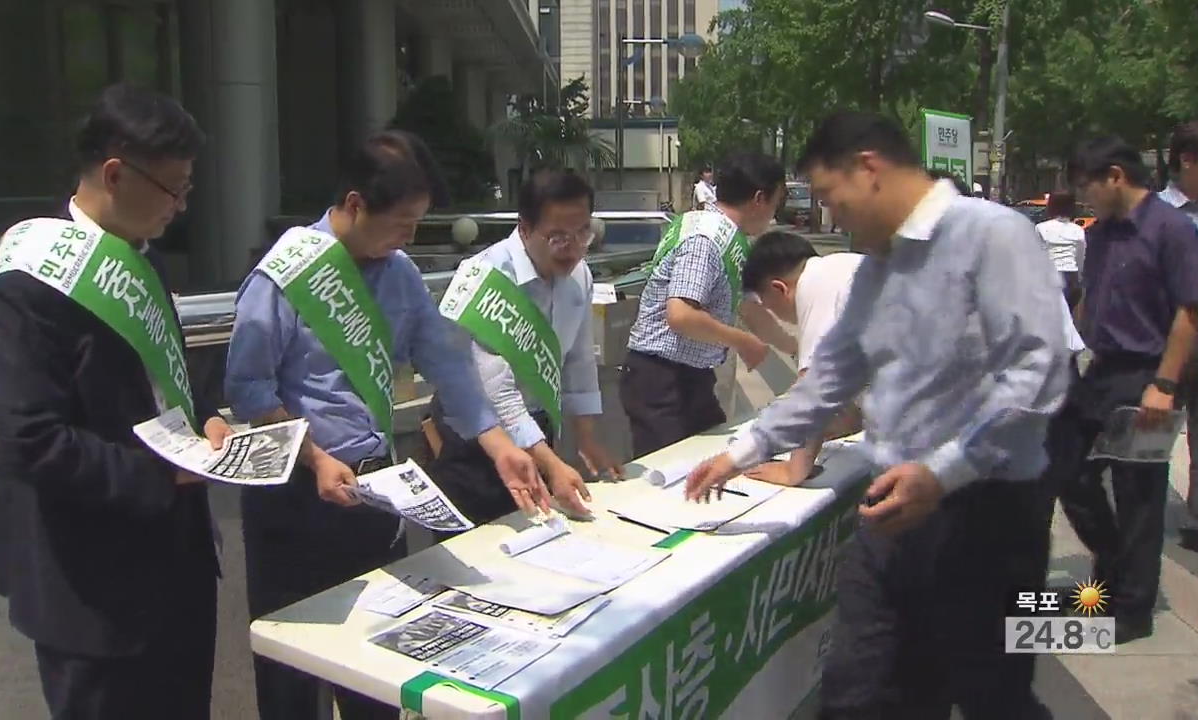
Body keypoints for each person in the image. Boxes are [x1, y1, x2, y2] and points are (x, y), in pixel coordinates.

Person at [685, 111, 1068, 719]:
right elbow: (829, 379)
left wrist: (943, 472)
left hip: (986, 515)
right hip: (889, 512)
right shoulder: (877, 270)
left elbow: (1037, 374)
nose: (832, 217)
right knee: (859, 691)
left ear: (869, 168)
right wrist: (742, 453)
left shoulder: (991, 235)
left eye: (832, 198)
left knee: (991, 693)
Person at [224, 130, 547, 720]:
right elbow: (248, 391)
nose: (409, 238)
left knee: (377, 675)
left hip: (373, 495)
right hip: (296, 498)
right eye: (400, 222)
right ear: (353, 204)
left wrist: (500, 444)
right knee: (291, 678)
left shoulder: (398, 274)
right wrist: (315, 457)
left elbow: (446, 362)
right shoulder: (285, 274)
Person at [0, 84, 227, 720]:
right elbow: (31, 438)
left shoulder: (144, 261)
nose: (180, 206)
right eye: (174, 188)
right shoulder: (33, 276)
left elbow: (161, 384)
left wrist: (208, 420)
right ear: (116, 173)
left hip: (180, 569)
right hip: (89, 588)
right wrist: (164, 471)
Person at [1041, 136, 1198, 643]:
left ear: (1116, 176)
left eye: (1087, 186)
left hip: (1147, 373)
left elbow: (1190, 310)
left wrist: (1165, 383)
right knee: (1066, 468)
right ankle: (1111, 567)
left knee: (1138, 493)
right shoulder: (1104, 232)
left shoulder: (1172, 230)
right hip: (1102, 371)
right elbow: (1091, 295)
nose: (1083, 198)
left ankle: (1131, 608)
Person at [430, 169, 623, 525]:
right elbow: (495, 390)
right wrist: (550, 464)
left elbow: (579, 360)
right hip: (477, 439)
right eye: (557, 237)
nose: (573, 247)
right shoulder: (485, 277)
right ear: (524, 228)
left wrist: (586, 439)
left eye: (583, 233)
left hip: (537, 431)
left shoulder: (580, 274)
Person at [621, 152, 784, 458]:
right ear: (759, 199)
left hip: (690, 377)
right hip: (661, 379)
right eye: (777, 202)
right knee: (672, 477)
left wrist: (796, 348)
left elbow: (749, 308)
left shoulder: (731, 239)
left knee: (713, 462)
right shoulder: (705, 237)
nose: (775, 214)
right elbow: (681, 315)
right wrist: (743, 341)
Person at [736, 230, 865, 486]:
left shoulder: (814, 285)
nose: (774, 314)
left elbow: (813, 388)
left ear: (779, 288)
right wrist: (846, 420)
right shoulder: (842, 268)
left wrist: (794, 469)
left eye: (768, 306)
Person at [1159, 120, 1198, 560]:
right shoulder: (1156, 212)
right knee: (1151, 431)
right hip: (1166, 337)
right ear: (1187, 158)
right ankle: (1138, 514)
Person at [1036, 191, 1087, 310]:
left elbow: (1036, 255)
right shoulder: (1078, 230)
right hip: (1071, 276)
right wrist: (1080, 277)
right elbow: (1081, 256)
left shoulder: (1041, 227)